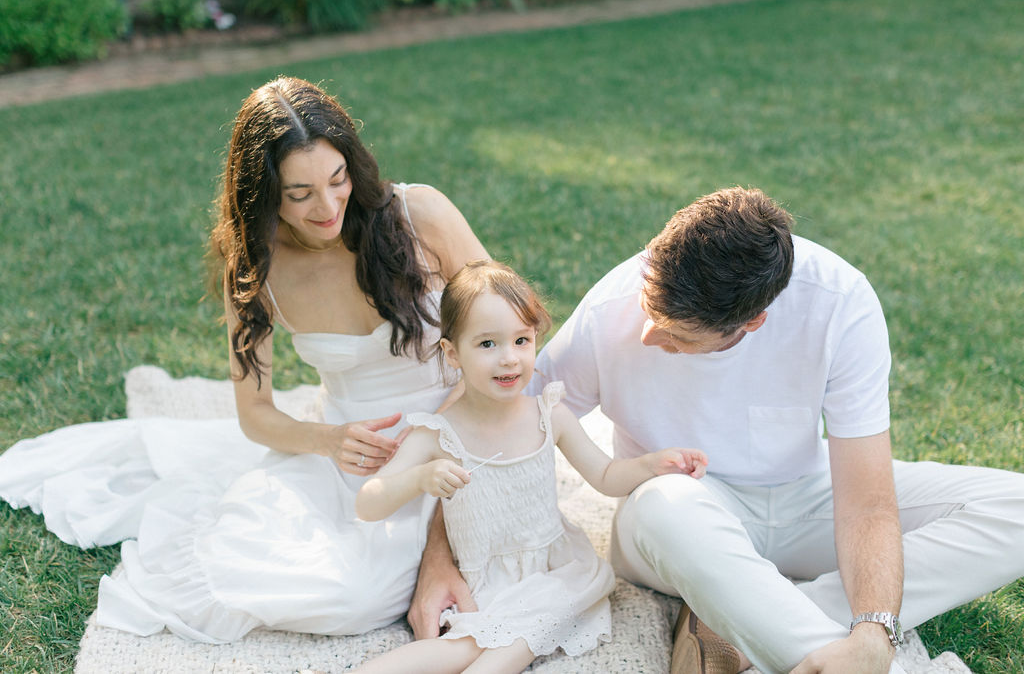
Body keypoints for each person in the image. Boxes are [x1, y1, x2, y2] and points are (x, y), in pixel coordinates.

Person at [0, 76, 488, 643]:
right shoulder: (257, 272)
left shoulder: (419, 214)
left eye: (337, 179)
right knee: (343, 596)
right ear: (264, 196)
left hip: (467, 418)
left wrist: (443, 432)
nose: (328, 206)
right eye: (300, 194)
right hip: (354, 451)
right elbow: (256, 414)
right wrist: (329, 441)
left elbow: (511, 322)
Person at [530, 187, 1024, 674]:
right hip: (682, 517)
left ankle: (745, 626)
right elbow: (520, 414)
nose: (648, 335)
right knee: (663, 505)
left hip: (806, 497)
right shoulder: (610, 305)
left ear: (753, 321)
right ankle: (839, 658)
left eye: (678, 335)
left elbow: (867, 501)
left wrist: (875, 629)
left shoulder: (841, 301)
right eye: (651, 311)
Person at [353, 260, 709, 673]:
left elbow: (606, 477)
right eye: (487, 344)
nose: (509, 358)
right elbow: (368, 504)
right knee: (464, 648)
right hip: (484, 581)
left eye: (521, 340)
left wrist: (650, 463)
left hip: (554, 573)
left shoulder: (548, 415)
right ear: (452, 353)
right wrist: (418, 478)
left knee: (512, 644)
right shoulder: (438, 435)